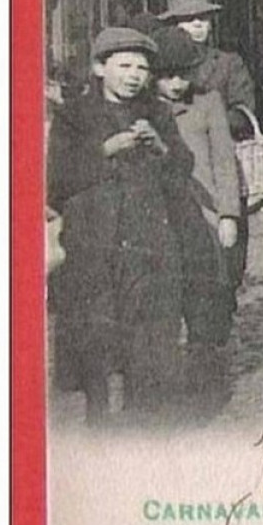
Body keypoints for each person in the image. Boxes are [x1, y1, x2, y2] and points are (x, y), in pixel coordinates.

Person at [47, 28, 200, 425]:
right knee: (98, 351)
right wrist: (105, 150)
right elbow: (57, 180)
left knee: (146, 351)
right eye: (125, 66)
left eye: (143, 68)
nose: (135, 75)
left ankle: (142, 432)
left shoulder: (158, 113)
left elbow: (183, 169)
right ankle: (101, 430)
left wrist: (160, 147)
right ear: (100, 67)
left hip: (148, 251)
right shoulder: (73, 116)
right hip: (94, 251)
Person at [148, 26, 245, 400]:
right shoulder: (148, 111)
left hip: (204, 218)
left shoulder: (207, 104)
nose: (175, 84)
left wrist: (228, 215)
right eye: (166, 76)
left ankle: (204, 370)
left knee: (205, 296)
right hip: (162, 218)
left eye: (182, 75)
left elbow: (223, 161)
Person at [159, 0, 257, 140]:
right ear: (173, 25)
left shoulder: (228, 63)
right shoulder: (162, 63)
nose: (198, 24)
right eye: (188, 19)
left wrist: (207, 121)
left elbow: (243, 112)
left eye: (203, 18)